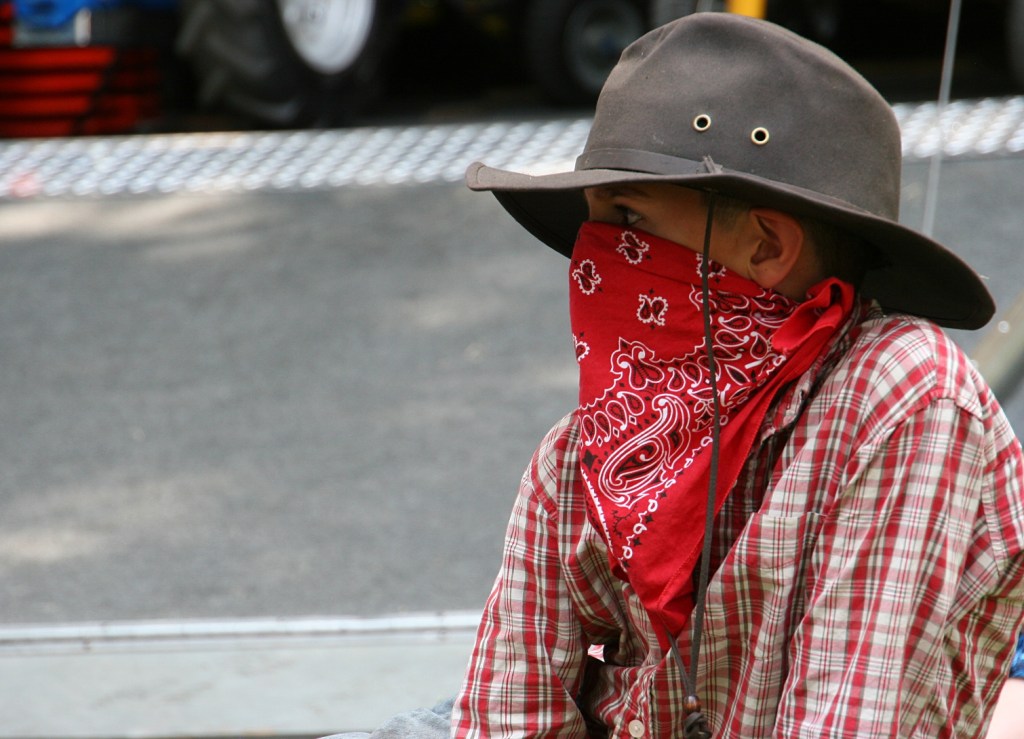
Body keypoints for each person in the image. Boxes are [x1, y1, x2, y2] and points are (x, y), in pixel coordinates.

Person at [324, 12, 1024, 739]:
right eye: (593, 228)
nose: (595, 259)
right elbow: (508, 717)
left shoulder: (901, 396)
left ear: (767, 245)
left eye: (628, 220)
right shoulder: (585, 455)